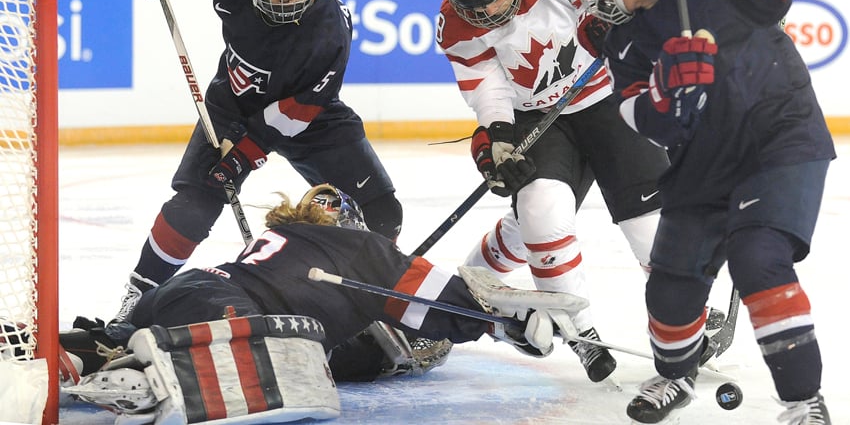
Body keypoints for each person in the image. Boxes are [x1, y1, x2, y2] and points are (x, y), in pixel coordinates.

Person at [568, 0, 835, 423]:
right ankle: (676, 375)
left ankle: (803, 401)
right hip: (703, 160)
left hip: (778, 136)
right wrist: (668, 96)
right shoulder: (625, 35)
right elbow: (640, 116)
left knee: (758, 257)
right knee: (669, 289)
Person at [55, 184, 584, 423]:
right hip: (231, 309)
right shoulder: (358, 249)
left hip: (186, 289)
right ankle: (153, 374)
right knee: (287, 367)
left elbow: (354, 348)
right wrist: (503, 325)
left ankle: (74, 353)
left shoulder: (284, 243)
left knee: (115, 336)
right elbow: (439, 299)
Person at [120, 0, 403, 324]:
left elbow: (299, 110)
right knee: (194, 206)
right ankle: (135, 300)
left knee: (382, 210)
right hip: (231, 106)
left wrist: (245, 154)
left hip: (311, 116)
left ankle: (371, 306)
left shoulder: (330, 27)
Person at [437, 0, 670, 383]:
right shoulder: (455, 23)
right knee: (542, 210)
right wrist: (498, 137)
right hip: (534, 117)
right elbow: (487, 84)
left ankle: (681, 325)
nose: (487, 12)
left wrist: (610, 25)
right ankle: (579, 329)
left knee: (651, 228)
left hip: (607, 95)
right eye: (474, 6)